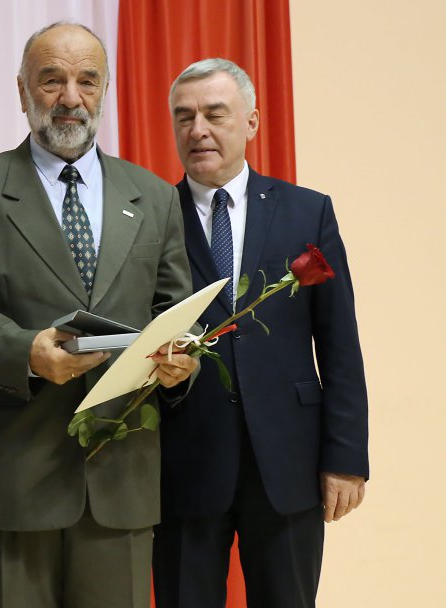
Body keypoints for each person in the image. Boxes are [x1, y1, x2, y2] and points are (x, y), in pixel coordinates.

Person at [0, 22, 198, 608]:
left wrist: (183, 361)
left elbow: (176, 313)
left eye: (87, 80)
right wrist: (25, 352)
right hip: (17, 477)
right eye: (52, 80)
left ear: (104, 92)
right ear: (22, 91)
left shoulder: (153, 196)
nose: (70, 97)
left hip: (121, 476)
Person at [152, 58, 369, 608]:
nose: (197, 129)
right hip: (184, 460)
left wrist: (345, 457)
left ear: (251, 121)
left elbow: (339, 343)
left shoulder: (307, 211)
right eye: (184, 117)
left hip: (289, 462)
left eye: (214, 114)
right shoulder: (152, 218)